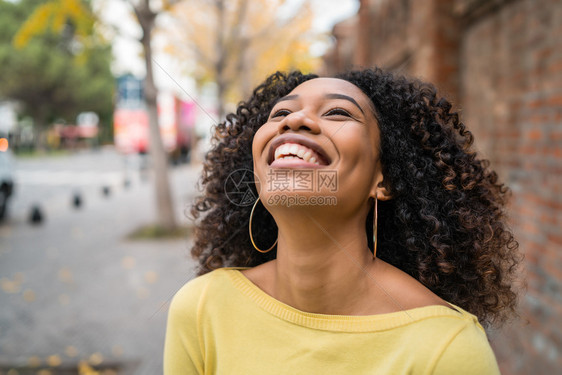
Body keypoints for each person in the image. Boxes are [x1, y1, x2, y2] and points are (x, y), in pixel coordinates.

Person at [164, 68, 521, 374]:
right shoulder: (201, 308)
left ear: (385, 180)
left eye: (337, 112)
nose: (294, 120)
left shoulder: (448, 349)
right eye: (279, 113)